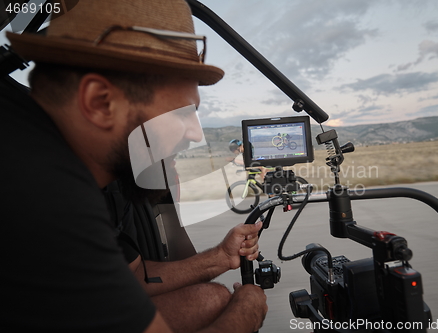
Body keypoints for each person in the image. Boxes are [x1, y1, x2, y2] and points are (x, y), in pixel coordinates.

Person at [1, 1, 267, 332]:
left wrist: (220, 258)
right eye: (183, 113)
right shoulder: (39, 189)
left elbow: (134, 278)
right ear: (100, 102)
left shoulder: (59, 154)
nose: (196, 133)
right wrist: (251, 306)